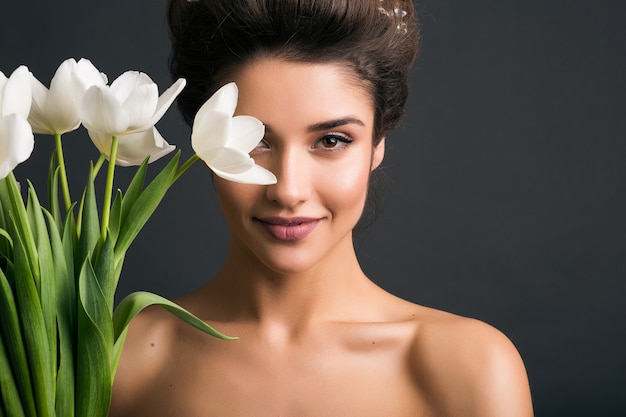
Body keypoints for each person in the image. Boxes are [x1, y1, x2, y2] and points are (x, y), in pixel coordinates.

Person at [110, 1, 534, 416]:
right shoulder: (116, 357)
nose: (289, 190)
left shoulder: (469, 368)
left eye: (331, 140)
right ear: (205, 140)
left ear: (377, 144)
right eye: (253, 141)